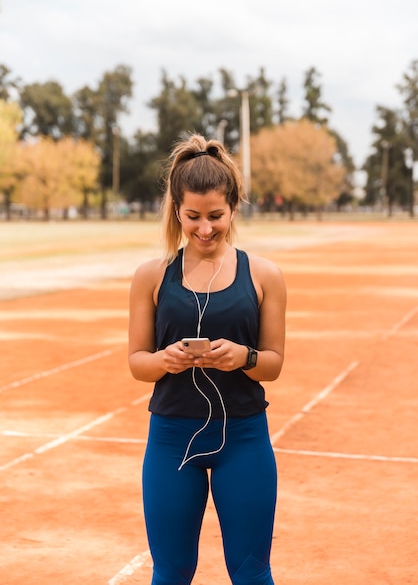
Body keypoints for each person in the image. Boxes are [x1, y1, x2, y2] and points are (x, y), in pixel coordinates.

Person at [128, 133, 287, 585]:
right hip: (171, 440)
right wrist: (165, 360)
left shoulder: (265, 276)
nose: (203, 229)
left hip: (244, 437)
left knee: (252, 572)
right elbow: (137, 363)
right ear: (176, 208)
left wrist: (243, 356)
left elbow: (273, 364)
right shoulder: (151, 276)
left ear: (234, 208)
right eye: (192, 216)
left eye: (215, 216)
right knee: (172, 573)